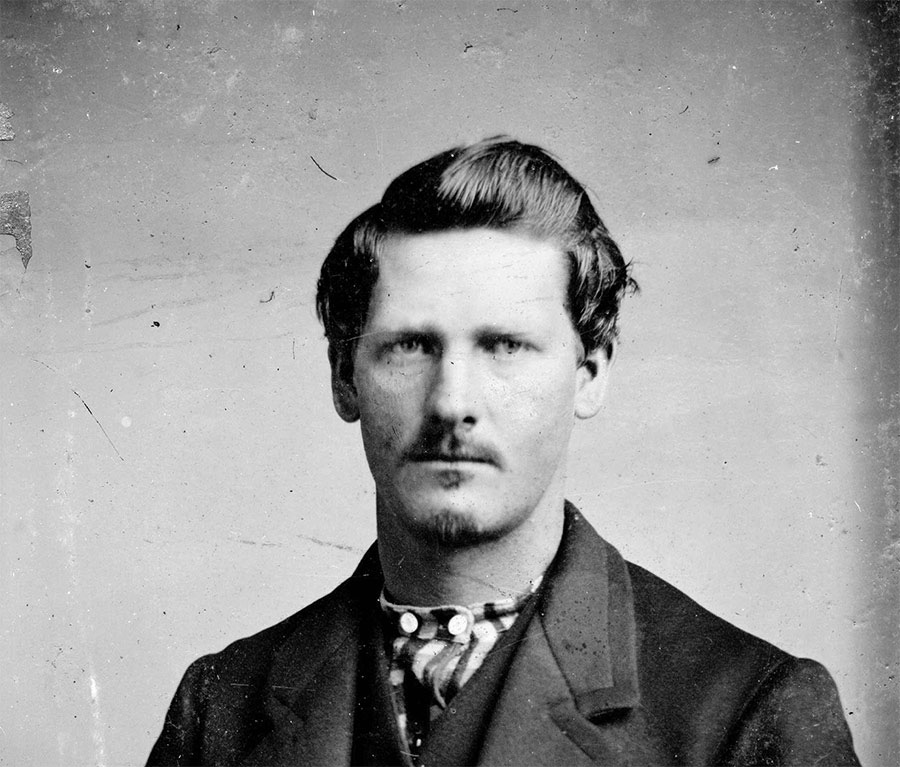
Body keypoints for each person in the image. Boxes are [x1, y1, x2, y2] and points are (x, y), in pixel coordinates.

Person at [147, 138, 859, 766]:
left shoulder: (749, 711)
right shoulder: (220, 708)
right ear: (343, 375)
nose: (453, 401)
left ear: (590, 371)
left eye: (506, 345)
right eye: (409, 346)